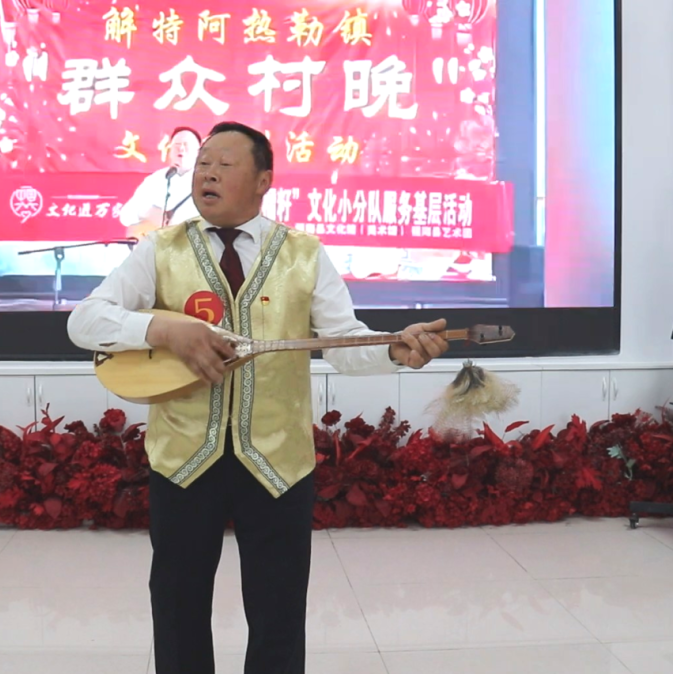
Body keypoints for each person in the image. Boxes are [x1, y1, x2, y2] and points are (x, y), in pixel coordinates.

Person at [67, 121, 449, 674]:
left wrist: (394, 349)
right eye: (203, 164)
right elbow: (85, 321)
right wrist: (163, 330)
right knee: (176, 606)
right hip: (183, 460)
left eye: (224, 164)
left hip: (277, 461)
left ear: (264, 180)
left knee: (279, 612)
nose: (207, 174)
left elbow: (342, 343)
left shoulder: (303, 253)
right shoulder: (161, 249)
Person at [118, 127, 202, 238]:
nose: (181, 148)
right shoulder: (156, 179)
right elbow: (125, 216)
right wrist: (148, 212)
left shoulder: (209, 182)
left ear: (199, 152)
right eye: (177, 145)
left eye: (186, 145)